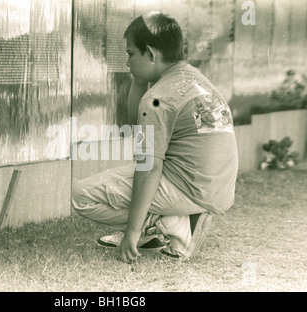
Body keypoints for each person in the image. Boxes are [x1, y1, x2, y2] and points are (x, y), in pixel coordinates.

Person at [72, 11, 238, 263]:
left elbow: (149, 168)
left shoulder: (158, 98)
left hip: (188, 187)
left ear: (150, 53)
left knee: (81, 196)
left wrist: (131, 232)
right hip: (216, 189)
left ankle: (170, 223)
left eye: (130, 54)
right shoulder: (193, 78)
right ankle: (171, 222)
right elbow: (140, 125)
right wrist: (139, 79)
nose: (127, 62)